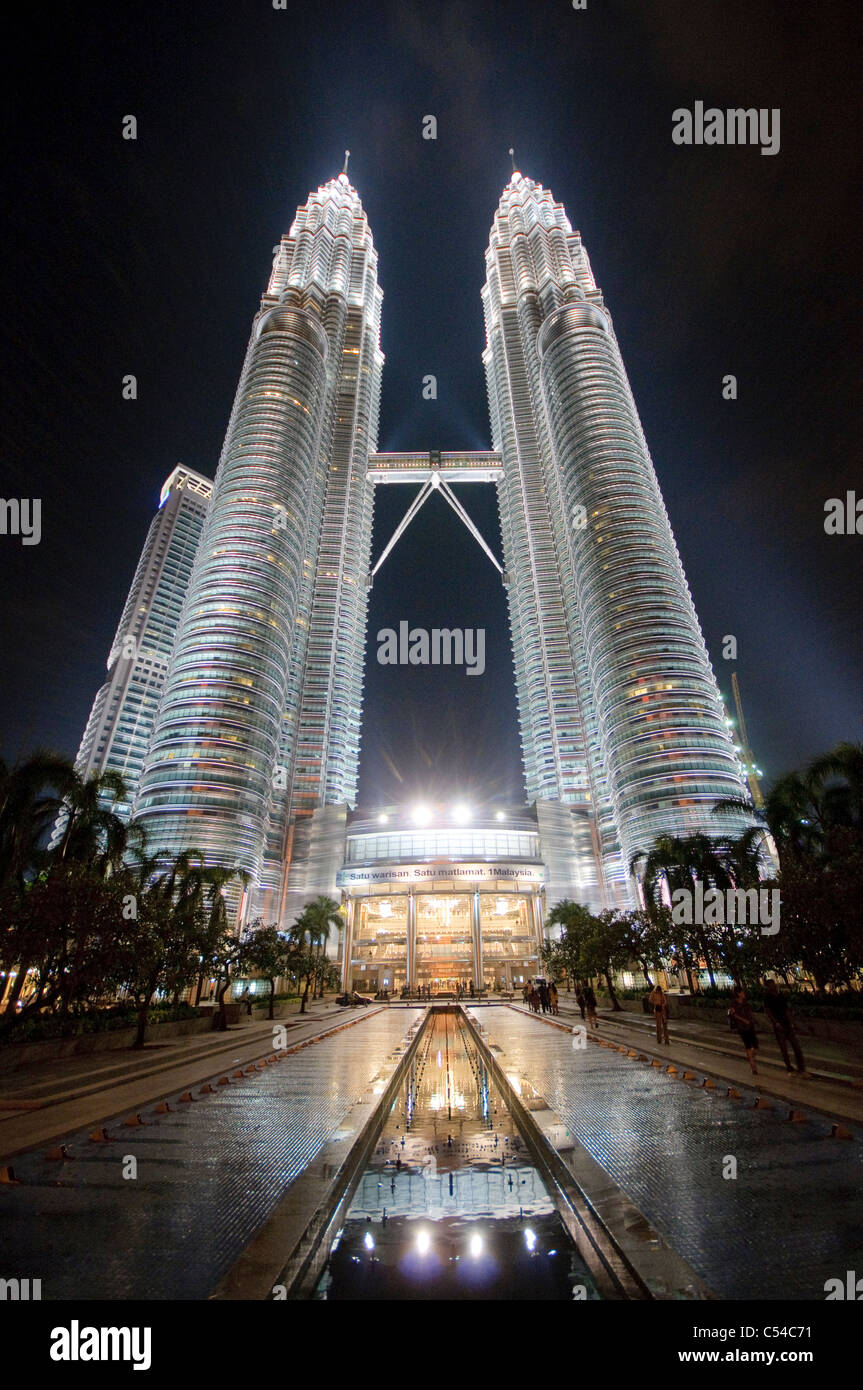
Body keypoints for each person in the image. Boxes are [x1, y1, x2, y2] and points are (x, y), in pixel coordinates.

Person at [763, 979, 809, 1076]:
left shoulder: (780, 996)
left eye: (774, 984)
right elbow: (768, 1012)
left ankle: (801, 1068)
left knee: (796, 1047)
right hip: (779, 1026)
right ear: (768, 987)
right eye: (771, 985)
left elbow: (786, 1009)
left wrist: (791, 1022)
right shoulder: (767, 998)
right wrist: (775, 1023)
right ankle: (789, 1068)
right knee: (784, 1049)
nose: (774, 986)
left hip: (786, 1024)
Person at [728, 985, 759, 1075]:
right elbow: (733, 1015)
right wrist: (743, 1020)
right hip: (742, 1027)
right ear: (738, 993)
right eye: (742, 992)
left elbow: (750, 1013)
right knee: (748, 1045)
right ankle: (753, 1066)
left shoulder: (746, 1003)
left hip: (750, 1025)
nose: (744, 994)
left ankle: (750, 1058)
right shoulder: (734, 1004)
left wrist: (753, 1021)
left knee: (756, 1046)